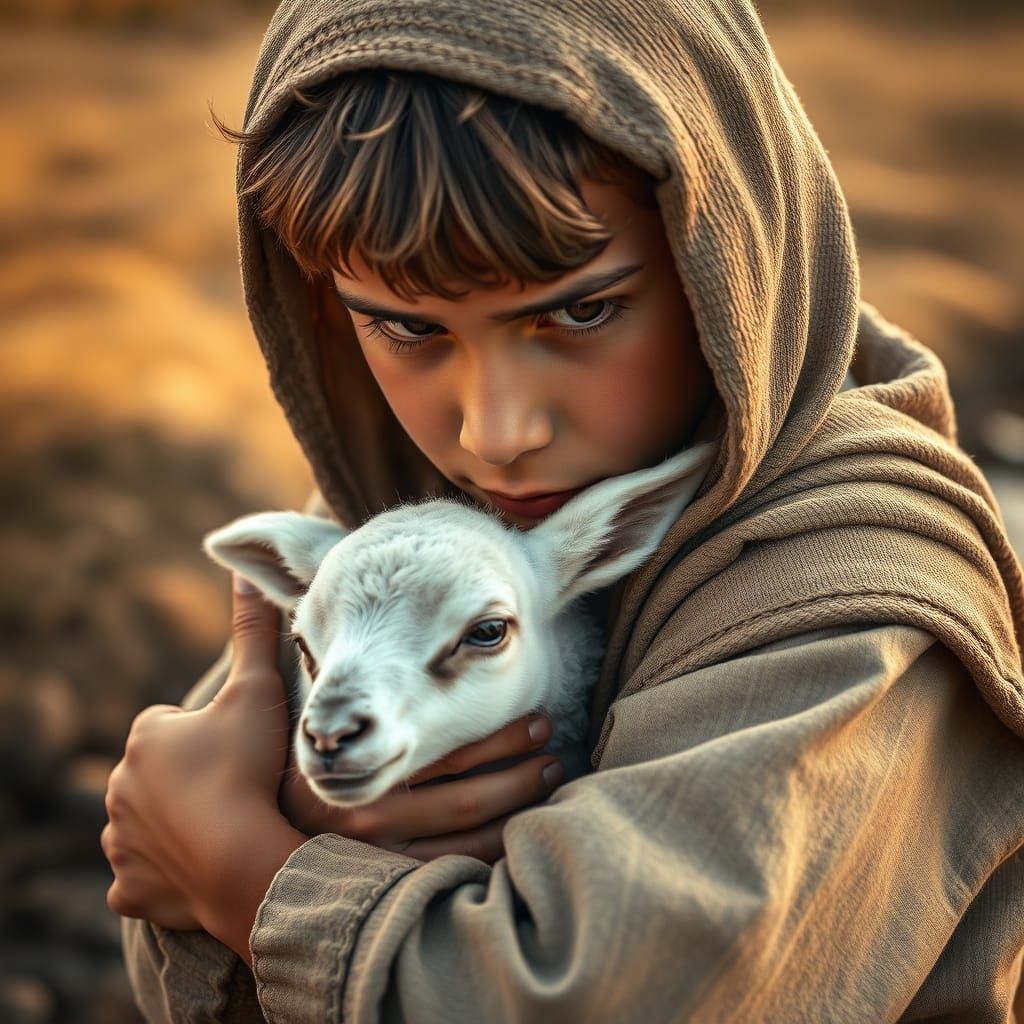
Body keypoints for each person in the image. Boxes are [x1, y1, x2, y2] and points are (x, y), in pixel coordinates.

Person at [100, 0, 1024, 1020]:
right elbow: (153, 876)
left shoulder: (852, 591)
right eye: (406, 326)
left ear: (721, 259)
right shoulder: (416, 516)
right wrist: (303, 828)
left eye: (580, 310)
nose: (496, 432)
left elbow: (612, 995)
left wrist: (254, 870)